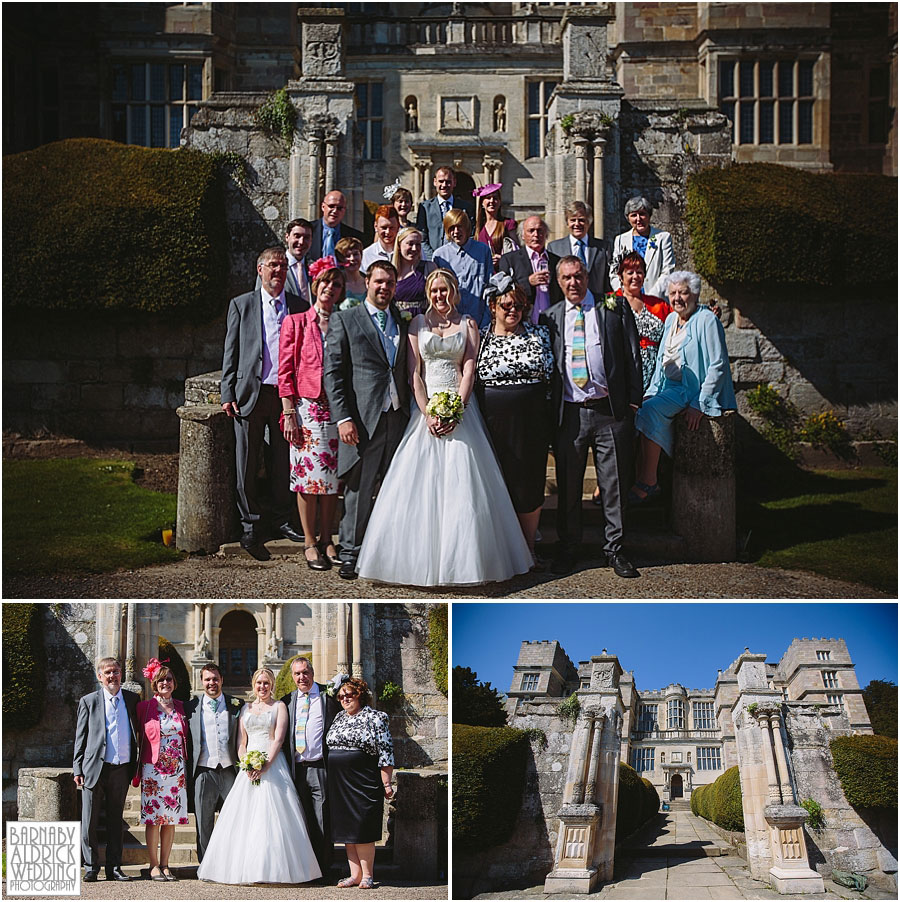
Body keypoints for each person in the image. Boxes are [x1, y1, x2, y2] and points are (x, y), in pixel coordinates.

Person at [355, 268, 533, 586]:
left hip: (460, 408)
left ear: (454, 292)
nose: (440, 296)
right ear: (428, 293)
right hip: (425, 410)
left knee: (465, 485)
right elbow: (414, 374)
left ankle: (466, 564)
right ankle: (412, 563)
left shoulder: (468, 324)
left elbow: (469, 369)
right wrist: (428, 414)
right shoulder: (416, 325)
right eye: (434, 290)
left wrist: (456, 410)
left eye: (445, 290)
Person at [542, 256, 642, 578]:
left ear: (588, 277)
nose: (574, 283)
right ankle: (569, 547)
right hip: (570, 414)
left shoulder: (612, 306)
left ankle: (615, 549)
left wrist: (633, 404)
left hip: (608, 411)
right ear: (559, 282)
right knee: (569, 488)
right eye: (567, 278)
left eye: (579, 276)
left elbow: (632, 353)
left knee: (613, 485)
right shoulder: (551, 317)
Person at [323, 260, 411, 580]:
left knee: (394, 489)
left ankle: (387, 551)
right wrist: (343, 418)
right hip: (363, 419)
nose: (384, 287)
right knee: (359, 490)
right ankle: (350, 552)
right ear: (367, 282)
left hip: (397, 417)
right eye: (379, 282)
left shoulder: (402, 322)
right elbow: (332, 374)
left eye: (390, 282)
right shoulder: (345, 320)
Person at [196, 668, 321, 885]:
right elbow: (241, 742)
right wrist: (246, 764)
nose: (262, 687)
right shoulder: (245, 708)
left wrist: (265, 765)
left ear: (271, 684)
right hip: (248, 770)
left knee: (273, 818)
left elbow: (278, 739)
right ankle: (245, 868)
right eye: (258, 683)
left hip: (273, 767)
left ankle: (275, 869)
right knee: (245, 819)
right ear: (253, 685)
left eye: (266, 683)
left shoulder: (280, 706)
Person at [221, 246, 308, 552]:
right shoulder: (242, 305)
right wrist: (226, 392)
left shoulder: (299, 306)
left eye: (283, 266)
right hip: (250, 394)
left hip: (285, 396)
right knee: (246, 460)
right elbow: (231, 352)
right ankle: (250, 525)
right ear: (260, 270)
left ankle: (282, 519)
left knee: (282, 461)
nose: (278, 271)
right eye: (272, 266)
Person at [631, 271, 736, 504]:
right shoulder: (670, 320)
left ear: (695, 294)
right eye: (673, 293)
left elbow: (718, 365)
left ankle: (648, 483)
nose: (677, 298)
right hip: (670, 387)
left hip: (692, 390)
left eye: (683, 292)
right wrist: (650, 392)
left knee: (649, 413)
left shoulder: (707, 319)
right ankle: (642, 478)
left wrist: (700, 402)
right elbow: (662, 361)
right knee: (641, 408)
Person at [475, 272, 554, 559]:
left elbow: (551, 378)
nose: (513, 311)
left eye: (518, 306)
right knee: (497, 484)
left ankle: (528, 547)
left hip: (532, 424)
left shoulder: (540, 334)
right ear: (493, 306)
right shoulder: (480, 338)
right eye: (506, 305)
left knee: (529, 484)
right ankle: (502, 552)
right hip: (492, 426)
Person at [279, 258, 344, 571]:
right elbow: (285, 370)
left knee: (332, 480)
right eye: (325, 283)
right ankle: (308, 541)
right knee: (307, 479)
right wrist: (288, 411)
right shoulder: (295, 322)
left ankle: (328, 538)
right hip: (306, 408)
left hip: (336, 409)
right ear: (316, 285)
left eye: (336, 285)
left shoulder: (343, 321)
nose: (329, 289)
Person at [73, 657, 140, 883]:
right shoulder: (89, 701)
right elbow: (80, 737)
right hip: (94, 768)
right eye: (108, 673)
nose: (112, 676)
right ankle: (91, 866)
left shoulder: (132, 699)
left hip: (121, 768)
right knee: (89, 820)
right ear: (99, 676)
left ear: (121, 674)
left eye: (116, 672)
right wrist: (77, 768)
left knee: (115, 821)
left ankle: (114, 867)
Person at [326, 679, 394, 889]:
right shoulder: (339, 717)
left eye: (350, 694)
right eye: (341, 696)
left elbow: (386, 751)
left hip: (363, 781)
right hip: (340, 783)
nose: (345, 698)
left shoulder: (375, 717)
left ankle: (367, 875)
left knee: (362, 828)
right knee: (348, 830)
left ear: (360, 695)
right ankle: (354, 874)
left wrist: (387, 783)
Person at [279, 657, 340, 876]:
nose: (301, 677)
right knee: (300, 819)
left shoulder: (329, 696)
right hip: (296, 769)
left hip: (320, 767)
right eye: (297, 674)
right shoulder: (286, 701)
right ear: (292, 677)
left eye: (305, 672)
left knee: (322, 816)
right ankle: (304, 868)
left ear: (312, 673)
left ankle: (324, 868)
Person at [134, 659, 188, 882]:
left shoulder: (181, 707)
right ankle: (153, 865)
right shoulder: (144, 708)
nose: (165, 682)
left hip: (177, 770)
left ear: (174, 683)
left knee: (171, 818)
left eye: (169, 679)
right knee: (154, 818)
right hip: (153, 770)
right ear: (154, 684)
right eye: (161, 680)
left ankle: (166, 865)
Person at [184, 664, 243, 863]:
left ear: (222, 680)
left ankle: (232, 862)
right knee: (203, 821)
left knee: (235, 820)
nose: (212, 683)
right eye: (208, 679)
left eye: (215, 679)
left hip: (230, 771)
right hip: (203, 771)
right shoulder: (190, 707)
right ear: (201, 681)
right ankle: (206, 864)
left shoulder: (237, 704)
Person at [433, 209, 493, 328]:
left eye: (460, 227)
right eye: (451, 228)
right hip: (450, 322)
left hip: (479, 319)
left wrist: (487, 319)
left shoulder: (483, 251)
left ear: (467, 228)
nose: (456, 232)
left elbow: (489, 286)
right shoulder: (440, 256)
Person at [496, 216, 563, 324]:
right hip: (523, 321)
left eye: (540, 230)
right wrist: (528, 282)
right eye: (531, 231)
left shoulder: (556, 261)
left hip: (553, 322)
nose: (536, 235)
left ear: (546, 234)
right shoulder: (510, 259)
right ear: (522, 235)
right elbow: (502, 291)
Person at [610, 196, 675, 297]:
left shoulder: (663, 238)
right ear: (628, 218)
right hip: (627, 300)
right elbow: (614, 272)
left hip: (655, 300)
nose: (638, 219)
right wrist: (624, 294)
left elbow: (667, 271)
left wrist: (652, 296)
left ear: (649, 215)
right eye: (634, 215)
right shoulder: (620, 240)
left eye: (642, 214)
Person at [548, 201, 612, 298]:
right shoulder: (554, 248)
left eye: (581, 220)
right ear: (567, 223)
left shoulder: (603, 248)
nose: (577, 224)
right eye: (573, 220)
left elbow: (607, 281)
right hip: (565, 304)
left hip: (596, 304)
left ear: (589, 222)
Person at [415, 166, 474, 259]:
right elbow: (422, 238)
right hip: (433, 260)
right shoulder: (425, 208)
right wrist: (433, 257)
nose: (444, 185)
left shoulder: (466, 207)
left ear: (454, 182)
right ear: (435, 182)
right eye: (441, 181)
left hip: (459, 259)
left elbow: (470, 234)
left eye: (448, 182)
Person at [256, 219, 313, 304]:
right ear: (287, 237)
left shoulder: (315, 266)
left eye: (306, 237)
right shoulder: (271, 266)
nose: (301, 242)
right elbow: (259, 299)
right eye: (297, 236)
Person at [392, 226, 435, 318]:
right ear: (399, 246)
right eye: (410, 244)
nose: (414, 248)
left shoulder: (429, 268)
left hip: (423, 320)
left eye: (418, 244)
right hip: (398, 322)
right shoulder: (391, 271)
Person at [472, 182, 518, 267]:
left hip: (502, 275)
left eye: (495, 198)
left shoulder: (508, 224)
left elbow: (517, 253)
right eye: (488, 198)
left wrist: (502, 259)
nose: (492, 201)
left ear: (500, 202)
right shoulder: (478, 227)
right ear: (482, 203)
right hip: (483, 274)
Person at [310, 190, 363, 260]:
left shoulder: (354, 236)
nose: (335, 211)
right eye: (331, 206)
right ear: (323, 207)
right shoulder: (308, 230)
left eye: (339, 208)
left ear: (344, 210)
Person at [361, 205, 400, 274]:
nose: (388, 232)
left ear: (398, 226)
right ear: (376, 226)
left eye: (392, 228)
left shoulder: (408, 252)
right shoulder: (366, 256)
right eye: (384, 228)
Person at [336, 236, 367, 307]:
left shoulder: (369, 280)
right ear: (341, 259)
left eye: (355, 254)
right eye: (347, 256)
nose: (352, 259)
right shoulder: (337, 282)